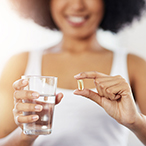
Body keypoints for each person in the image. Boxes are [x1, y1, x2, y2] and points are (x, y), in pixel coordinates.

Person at [0, 0, 146, 145]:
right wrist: (25, 136)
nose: (77, 5)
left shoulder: (134, 65)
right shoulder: (20, 63)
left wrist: (136, 122)